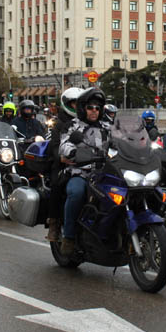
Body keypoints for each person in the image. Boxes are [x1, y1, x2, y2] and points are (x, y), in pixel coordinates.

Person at [58, 88, 110, 256]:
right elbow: (64, 145)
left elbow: (123, 141)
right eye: (90, 107)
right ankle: (69, 237)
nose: (94, 110)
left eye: (97, 107)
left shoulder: (107, 126)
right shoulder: (73, 126)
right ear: (83, 108)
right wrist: (72, 152)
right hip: (80, 171)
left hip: (104, 172)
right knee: (76, 192)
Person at [45, 87, 83, 242]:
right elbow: (54, 145)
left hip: (88, 163)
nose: (76, 107)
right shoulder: (60, 123)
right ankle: (54, 222)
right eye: (74, 104)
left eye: (79, 103)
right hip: (64, 164)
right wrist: (61, 157)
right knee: (58, 184)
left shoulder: (87, 120)